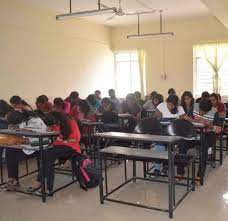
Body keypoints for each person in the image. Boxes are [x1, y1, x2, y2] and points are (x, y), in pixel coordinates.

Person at [32, 112, 81, 193]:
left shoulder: (71, 122)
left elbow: (77, 139)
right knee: (44, 153)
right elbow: (54, 134)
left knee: (48, 155)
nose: (55, 125)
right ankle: (41, 182)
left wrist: (63, 140)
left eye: (54, 124)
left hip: (71, 147)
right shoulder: (55, 122)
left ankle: (47, 186)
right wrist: (50, 129)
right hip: (57, 146)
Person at [4, 110, 47, 191]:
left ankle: (40, 181)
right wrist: (14, 129)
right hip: (27, 146)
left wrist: (25, 139)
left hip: (41, 144)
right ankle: (13, 180)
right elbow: (20, 131)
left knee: (43, 154)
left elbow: (43, 135)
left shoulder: (36, 121)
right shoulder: (22, 121)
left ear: (21, 119)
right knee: (10, 150)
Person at [193, 99, 217, 180]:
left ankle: (200, 175)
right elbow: (187, 118)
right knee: (183, 143)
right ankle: (180, 172)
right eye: (200, 110)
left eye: (204, 112)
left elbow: (219, 129)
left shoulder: (214, 112)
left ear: (209, 110)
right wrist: (192, 120)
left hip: (209, 134)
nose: (201, 113)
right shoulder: (194, 106)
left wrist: (208, 125)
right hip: (195, 133)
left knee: (204, 148)